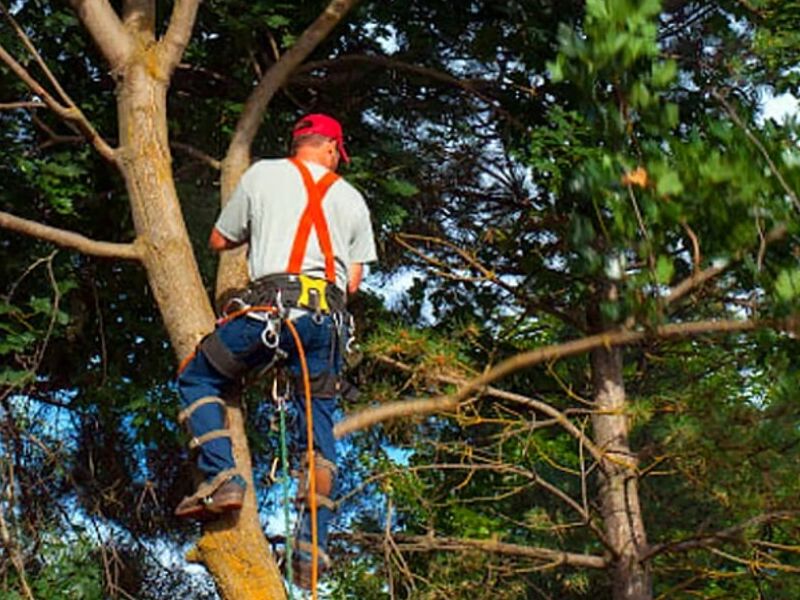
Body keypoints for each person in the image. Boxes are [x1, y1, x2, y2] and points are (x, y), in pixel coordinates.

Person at [174, 113, 377, 587]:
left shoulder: (263, 174)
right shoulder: (351, 198)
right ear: (331, 149)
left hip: (270, 312)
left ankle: (223, 479)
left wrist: (265, 227)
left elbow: (220, 239)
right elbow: (352, 283)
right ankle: (311, 551)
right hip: (327, 323)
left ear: (300, 143)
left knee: (199, 376)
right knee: (317, 430)